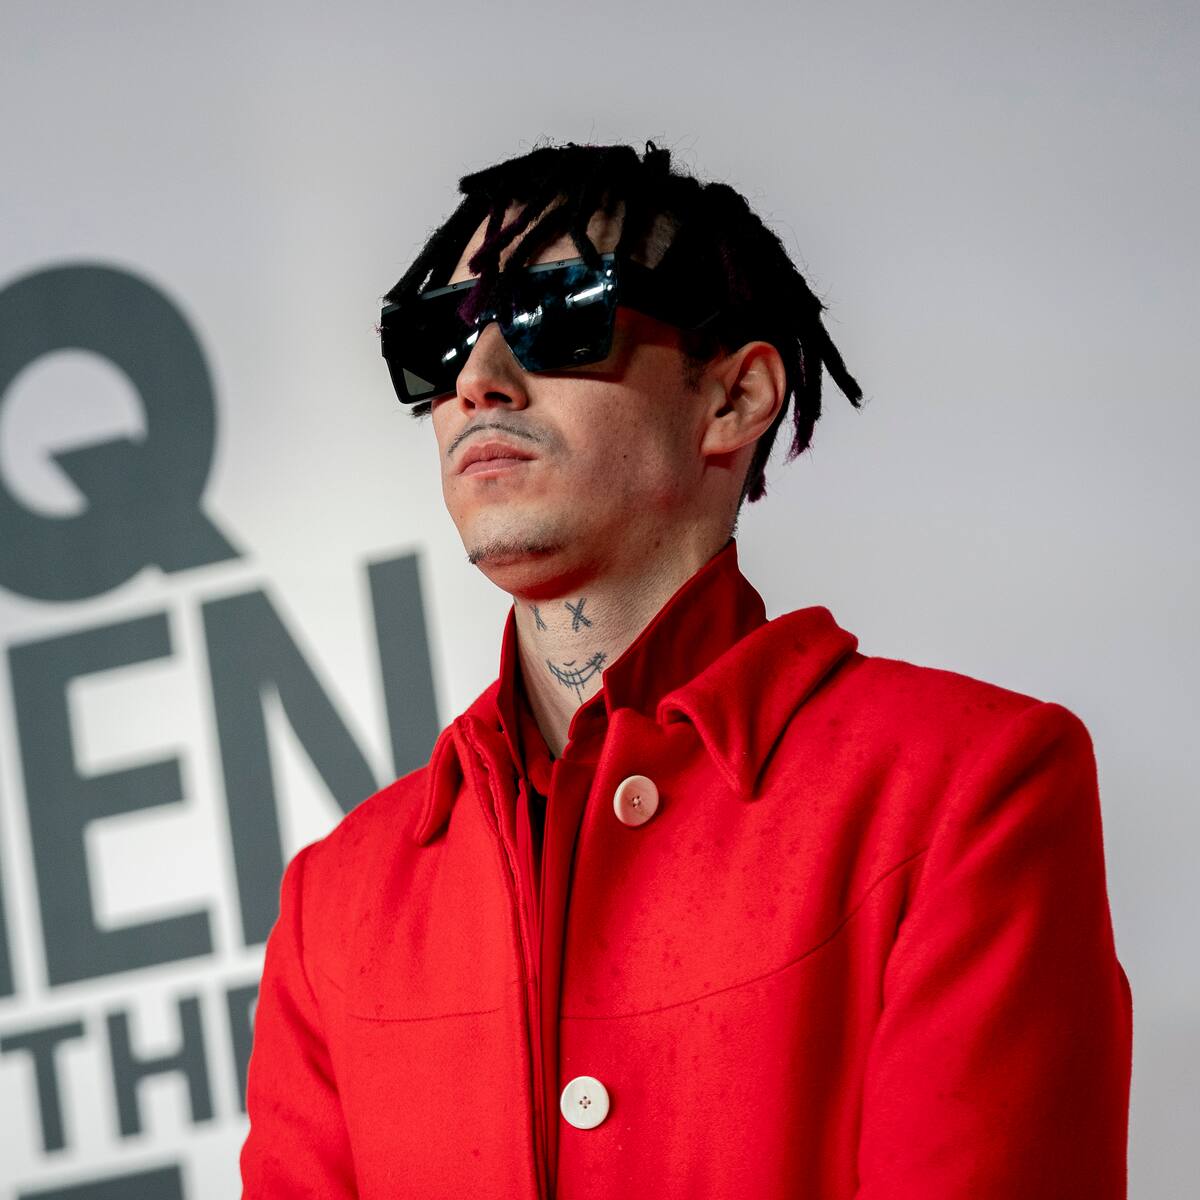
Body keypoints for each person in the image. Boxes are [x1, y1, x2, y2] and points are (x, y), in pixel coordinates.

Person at [239, 140, 1132, 1199]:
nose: (478, 381)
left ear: (735, 398)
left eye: (555, 313)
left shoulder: (966, 790)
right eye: (440, 340)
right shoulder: (335, 906)